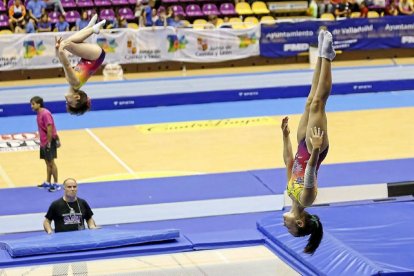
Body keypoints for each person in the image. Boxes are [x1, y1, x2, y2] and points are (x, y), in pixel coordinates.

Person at [281, 29, 336, 255]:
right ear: (300, 223)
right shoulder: (306, 199)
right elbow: (310, 170)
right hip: (315, 148)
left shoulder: (291, 194)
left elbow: (289, 162)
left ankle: (321, 53)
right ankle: (327, 57)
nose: (285, 226)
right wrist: (315, 148)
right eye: (290, 229)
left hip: (302, 146)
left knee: (309, 102)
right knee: (319, 104)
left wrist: (285, 136)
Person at [44, 178, 96, 276]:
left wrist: (92, 226)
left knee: (81, 274)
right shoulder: (56, 205)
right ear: (64, 188)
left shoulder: (82, 203)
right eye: (69, 187)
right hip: (62, 247)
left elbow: (89, 218)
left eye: (74, 187)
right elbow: (47, 221)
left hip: (79, 246)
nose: (72, 189)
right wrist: (50, 232)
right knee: (60, 274)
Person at [55, 14, 106, 115]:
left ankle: (89, 28)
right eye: (69, 102)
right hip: (95, 57)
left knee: (70, 42)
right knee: (67, 43)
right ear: (77, 97)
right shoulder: (75, 83)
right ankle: (91, 29)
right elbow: (68, 65)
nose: (66, 101)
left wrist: (57, 49)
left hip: (92, 57)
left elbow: (62, 63)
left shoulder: (71, 83)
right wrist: (61, 51)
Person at [30, 96, 61, 192]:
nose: (31, 106)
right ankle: (48, 182)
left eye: (33, 104)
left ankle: (56, 184)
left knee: (52, 163)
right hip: (43, 141)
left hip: (49, 141)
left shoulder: (45, 114)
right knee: (47, 163)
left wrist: (49, 142)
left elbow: (50, 128)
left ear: (39, 104)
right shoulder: (39, 113)